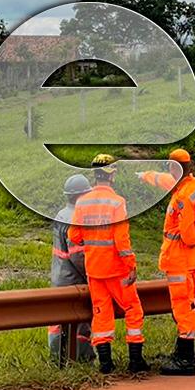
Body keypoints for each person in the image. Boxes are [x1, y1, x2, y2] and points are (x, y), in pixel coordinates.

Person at [69, 154, 148, 374]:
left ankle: (105, 364)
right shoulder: (117, 202)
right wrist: (131, 264)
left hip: (94, 269)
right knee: (133, 309)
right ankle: (135, 362)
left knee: (101, 314)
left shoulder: (82, 202)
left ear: (95, 175)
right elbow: (121, 240)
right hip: (117, 270)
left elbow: (74, 235)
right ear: (112, 175)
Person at [139, 148, 195, 376]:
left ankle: (186, 359)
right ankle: (183, 351)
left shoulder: (183, 199)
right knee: (187, 304)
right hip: (189, 260)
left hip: (179, 258)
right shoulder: (194, 186)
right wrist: (144, 175)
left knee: (182, 306)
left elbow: (187, 236)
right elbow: (164, 180)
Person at [48, 173, 95, 366]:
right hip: (75, 281)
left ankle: (57, 360)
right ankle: (82, 361)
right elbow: (78, 256)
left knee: (58, 324)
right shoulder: (77, 217)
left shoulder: (61, 214)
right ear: (80, 196)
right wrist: (93, 276)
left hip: (59, 279)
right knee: (80, 324)